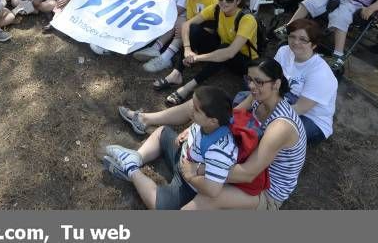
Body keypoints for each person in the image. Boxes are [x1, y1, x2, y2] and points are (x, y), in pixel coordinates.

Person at [118, 57, 307, 210]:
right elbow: (228, 120)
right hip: (238, 160)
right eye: (249, 79)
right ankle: (140, 135)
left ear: (276, 84)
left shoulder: (280, 126)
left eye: (259, 81)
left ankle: (132, 169)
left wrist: (198, 168)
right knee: (199, 106)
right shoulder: (258, 96)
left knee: (207, 198)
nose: (251, 86)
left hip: (263, 190)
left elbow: (248, 174)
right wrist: (193, 129)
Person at [102, 86, 237, 209]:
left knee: (161, 207)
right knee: (162, 132)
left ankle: (130, 168)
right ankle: (137, 157)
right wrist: (189, 131)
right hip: (183, 155)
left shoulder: (220, 150)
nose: (191, 109)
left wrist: (190, 177)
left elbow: (213, 189)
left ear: (213, 120)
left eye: (196, 109)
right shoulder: (209, 124)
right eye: (193, 104)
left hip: (189, 184)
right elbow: (199, 129)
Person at [156, 0, 257, 106]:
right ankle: (176, 73)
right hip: (222, 48)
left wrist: (197, 58)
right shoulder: (216, 8)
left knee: (224, 49)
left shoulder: (247, 19)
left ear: (238, 1)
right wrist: (187, 49)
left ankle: (188, 87)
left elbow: (230, 52)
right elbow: (187, 25)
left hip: (243, 61)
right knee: (194, 29)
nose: (224, 2)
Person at [238, 19, 336, 145]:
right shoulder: (284, 51)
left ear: (314, 44)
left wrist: (264, 116)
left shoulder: (321, 74)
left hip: (311, 118)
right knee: (246, 93)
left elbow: (301, 108)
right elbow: (269, 79)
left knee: (272, 133)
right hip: (285, 97)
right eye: (292, 36)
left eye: (303, 39)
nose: (295, 42)